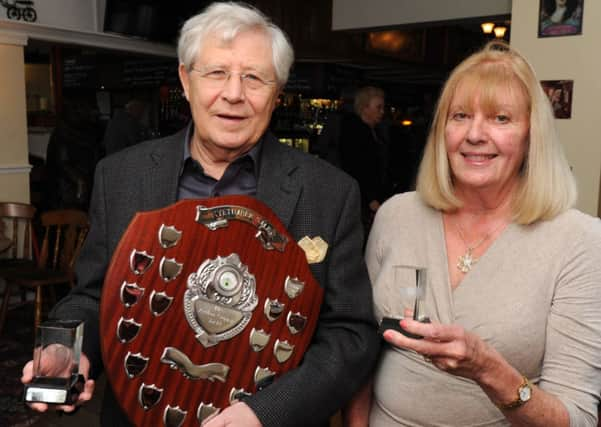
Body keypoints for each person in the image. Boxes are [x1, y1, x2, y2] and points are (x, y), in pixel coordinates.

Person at [21, 3, 379, 427]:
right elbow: (96, 295)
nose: (233, 93)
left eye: (254, 77)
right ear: (185, 81)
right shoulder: (122, 175)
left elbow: (350, 335)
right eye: (216, 73)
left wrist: (266, 413)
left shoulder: (328, 192)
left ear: (277, 92)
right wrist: (71, 349)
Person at [344, 41, 601, 426]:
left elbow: (576, 418)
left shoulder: (579, 241)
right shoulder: (397, 215)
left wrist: (488, 370)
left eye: (501, 119)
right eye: (460, 115)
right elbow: (361, 349)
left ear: (532, 135)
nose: (475, 134)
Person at [339, 86, 392, 232]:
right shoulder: (355, 133)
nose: (382, 112)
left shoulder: (374, 132)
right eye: (378, 107)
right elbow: (356, 168)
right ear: (364, 108)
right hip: (362, 201)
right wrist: (370, 199)